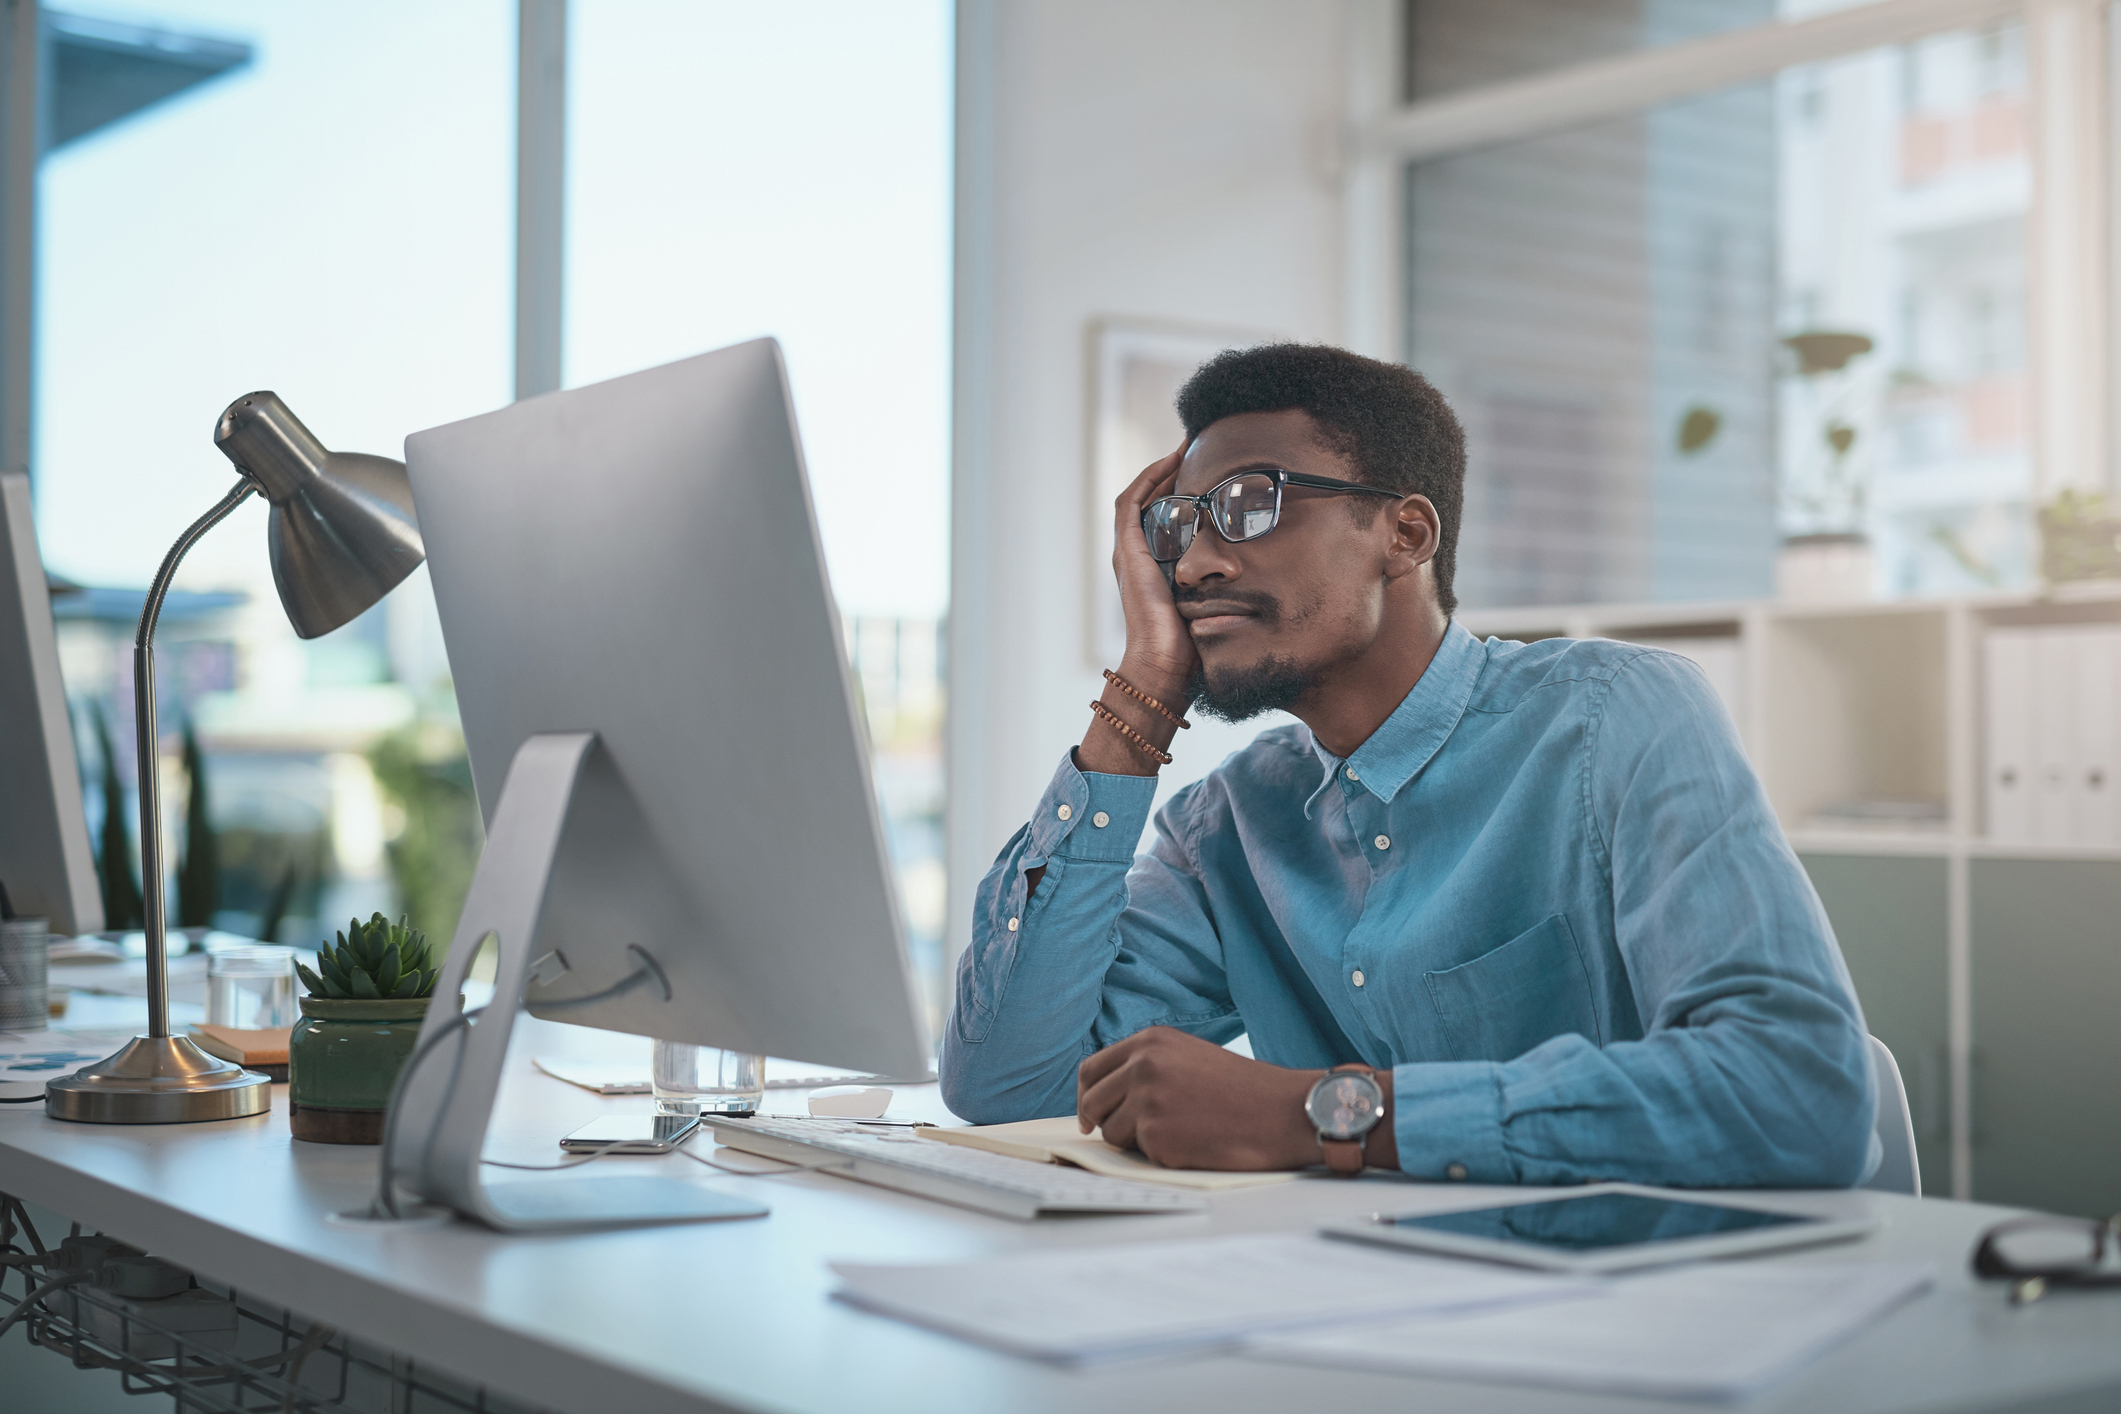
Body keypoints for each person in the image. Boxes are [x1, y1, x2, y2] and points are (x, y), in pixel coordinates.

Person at [939, 342, 1878, 1187]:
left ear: (1406, 536)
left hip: (1640, 1329)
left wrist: (1319, 1115)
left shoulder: (1612, 720)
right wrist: (1138, 698)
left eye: (1247, 505)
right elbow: (1010, 1087)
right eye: (1178, 526)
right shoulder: (1225, 826)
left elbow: (1796, 1089)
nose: (1191, 567)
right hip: (1365, 1320)